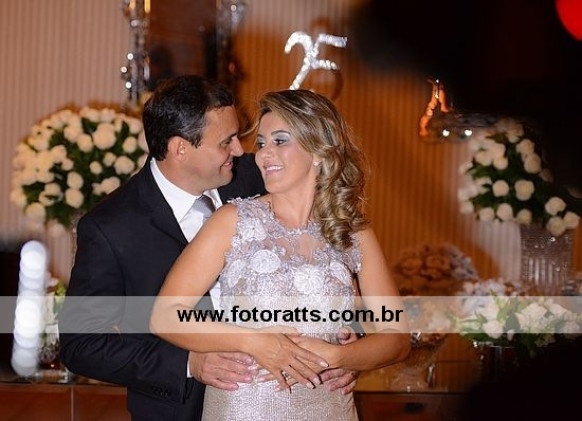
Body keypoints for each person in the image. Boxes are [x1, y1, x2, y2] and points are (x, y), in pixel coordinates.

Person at [59, 75, 356, 421]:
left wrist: (345, 350)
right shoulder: (111, 227)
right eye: (226, 141)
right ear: (180, 148)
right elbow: (82, 345)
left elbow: (330, 260)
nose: (240, 151)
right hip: (176, 410)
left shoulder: (261, 175)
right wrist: (187, 363)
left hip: (288, 400)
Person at [150, 89, 411, 420]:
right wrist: (254, 343)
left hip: (329, 409)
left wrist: (340, 357)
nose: (263, 155)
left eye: (280, 141)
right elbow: (165, 315)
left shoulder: (354, 234)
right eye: (261, 143)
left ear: (319, 151)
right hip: (243, 410)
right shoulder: (233, 221)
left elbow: (397, 339)